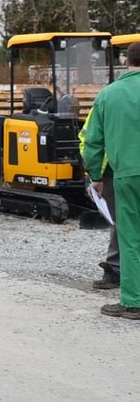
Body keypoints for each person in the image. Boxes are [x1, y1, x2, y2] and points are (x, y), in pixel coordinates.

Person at [82, 41, 140, 318]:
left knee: (130, 237)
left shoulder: (109, 95)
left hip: (127, 174)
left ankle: (133, 301)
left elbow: (92, 140)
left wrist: (95, 175)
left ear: (125, 61)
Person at [79, 109, 120, 290]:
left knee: (120, 222)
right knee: (122, 222)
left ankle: (117, 270)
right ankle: (116, 269)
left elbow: (90, 140)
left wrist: (94, 175)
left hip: (114, 171)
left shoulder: (106, 99)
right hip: (119, 170)